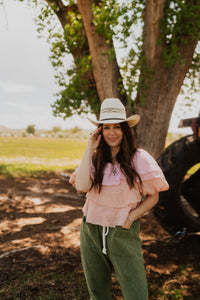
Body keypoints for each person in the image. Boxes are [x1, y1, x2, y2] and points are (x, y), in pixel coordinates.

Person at [69, 98, 169, 300]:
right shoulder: (95, 158)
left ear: (125, 130)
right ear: (100, 131)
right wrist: (90, 148)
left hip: (122, 232)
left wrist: (131, 217)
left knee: (136, 293)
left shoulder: (139, 158)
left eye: (117, 127)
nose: (112, 132)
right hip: (91, 231)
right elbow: (81, 186)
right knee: (97, 292)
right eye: (106, 127)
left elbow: (154, 196)